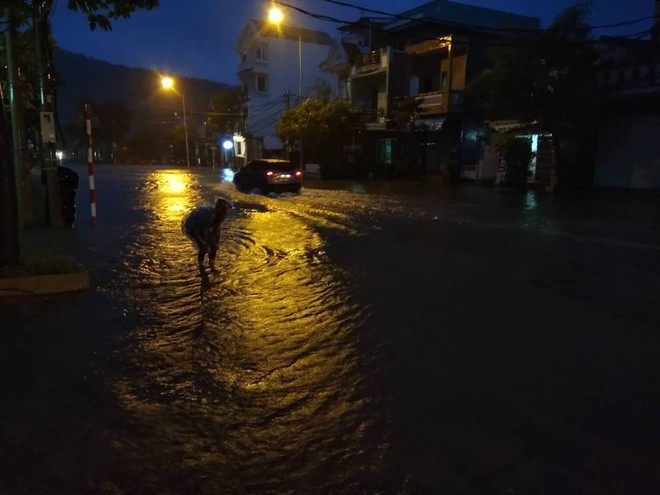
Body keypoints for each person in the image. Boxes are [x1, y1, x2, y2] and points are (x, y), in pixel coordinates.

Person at [182, 197, 231, 272]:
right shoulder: (208, 216)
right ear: (221, 209)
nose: (228, 212)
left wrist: (216, 242)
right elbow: (197, 231)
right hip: (192, 225)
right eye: (227, 210)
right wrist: (202, 242)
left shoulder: (221, 215)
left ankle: (212, 266)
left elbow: (216, 229)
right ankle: (201, 267)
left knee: (214, 246)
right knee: (204, 247)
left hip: (204, 225)